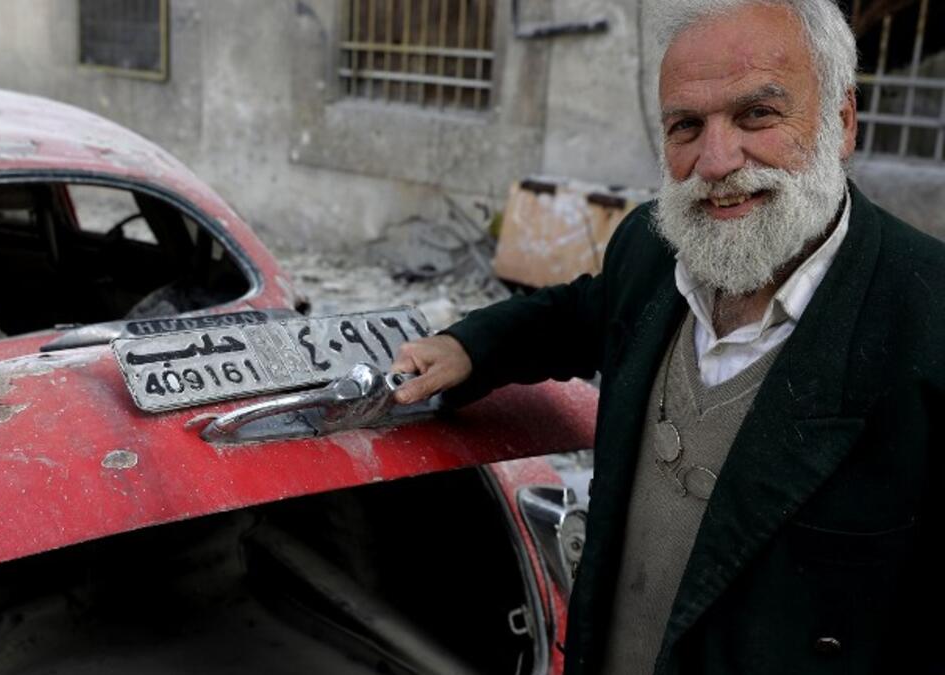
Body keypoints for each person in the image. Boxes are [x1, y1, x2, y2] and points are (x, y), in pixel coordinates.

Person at [391, 0, 945, 673]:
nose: (715, 161)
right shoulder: (652, 249)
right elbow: (582, 311)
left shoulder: (927, 317)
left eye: (756, 116)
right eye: (686, 126)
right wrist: (470, 347)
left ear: (842, 121)